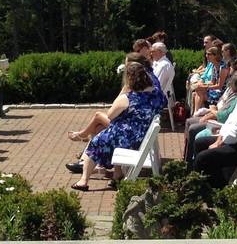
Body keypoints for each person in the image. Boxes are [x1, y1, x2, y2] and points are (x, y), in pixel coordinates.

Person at [70, 62, 165, 191]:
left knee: (96, 142)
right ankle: (117, 174)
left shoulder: (129, 98)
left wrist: (124, 90)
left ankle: (83, 181)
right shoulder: (157, 96)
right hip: (142, 137)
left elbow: (110, 115)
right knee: (102, 131)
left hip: (128, 139)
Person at [191, 46, 224, 112]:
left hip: (221, 92)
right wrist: (201, 85)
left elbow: (220, 86)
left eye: (209, 54)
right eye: (206, 54)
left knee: (199, 92)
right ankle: (196, 113)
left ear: (215, 55)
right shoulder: (214, 66)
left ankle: (196, 114)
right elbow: (212, 82)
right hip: (215, 90)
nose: (206, 56)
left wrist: (205, 87)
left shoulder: (222, 68)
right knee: (197, 91)